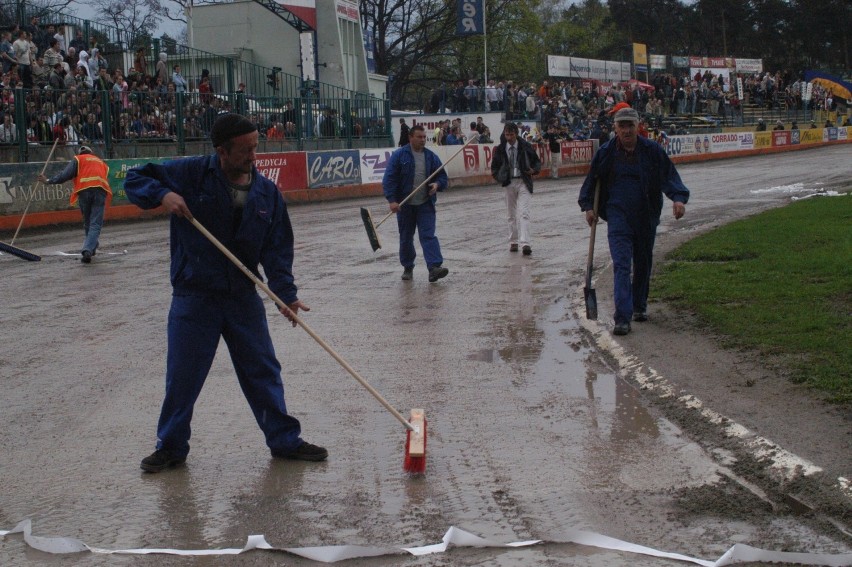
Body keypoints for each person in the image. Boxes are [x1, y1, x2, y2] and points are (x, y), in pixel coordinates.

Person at [123, 113, 327, 472]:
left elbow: (277, 249)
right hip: (194, 296)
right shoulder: (189, 173)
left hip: (241, 297)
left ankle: (284, 440)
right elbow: (135, 177)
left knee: (262, 370)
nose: (254, 156)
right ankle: (170, 447)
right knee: (183, 376)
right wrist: (163, 193)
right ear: (221, 151)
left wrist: (285, 295)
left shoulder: (266, 193)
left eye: (256, 147)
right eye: (246, 150)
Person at [577, 107, 689, 336]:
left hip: (646, 215)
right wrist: (588, 207)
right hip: (618, 216)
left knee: (643, 261)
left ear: (638, 126)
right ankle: (622, 318)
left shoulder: (652, 151)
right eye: (622, 126)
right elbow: (591, 182)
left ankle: (639, 305)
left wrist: (678, 199)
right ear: (615, 128)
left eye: (630, 125)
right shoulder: (606, 153)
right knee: (621, 263)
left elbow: (669, 176)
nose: (627, 130)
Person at [382, 124, 449, 282]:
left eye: (424, 137)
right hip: (405, 205)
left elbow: (443, 178)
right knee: (406, 237)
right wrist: (392, 200)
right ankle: (408, 267)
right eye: (419, 137)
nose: (422, 140)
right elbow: (389, 180)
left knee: (428, 235)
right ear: (410, 138)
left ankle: (434, 268)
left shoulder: (431, 157)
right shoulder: (399, 156)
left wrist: (437, 185)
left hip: (425, 203)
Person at [38, 146, 112, 264]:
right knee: (95, 224)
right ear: (91, 153)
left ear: (80, 153)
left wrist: (48, 181)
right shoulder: (101, 162)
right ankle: (91, 246)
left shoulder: (78, 159)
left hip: (84, 191)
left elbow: (64, 175)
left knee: (88, 222)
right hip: (100, 191)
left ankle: (88, 248)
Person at [490, 122, 542, 255]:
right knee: (510, 214)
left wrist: (534, 170)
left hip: (523, 181)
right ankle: (513, 241)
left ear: (516, 134)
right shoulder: (500, 149)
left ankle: (525, 243)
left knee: (524, 213)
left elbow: (537, 162)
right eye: (507, 134)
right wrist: (500, 177)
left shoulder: (525, 146)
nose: (509, 137)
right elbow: (494, 167)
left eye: (511, 134)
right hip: (509, 182)